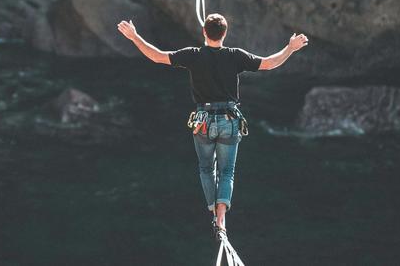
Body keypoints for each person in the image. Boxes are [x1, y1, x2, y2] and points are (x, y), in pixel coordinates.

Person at [116, 14, 308, 239]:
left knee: (207, 169)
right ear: (225, 34)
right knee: (227, 172)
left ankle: (212, 209)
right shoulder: (235, 55)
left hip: (203, 120)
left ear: (204, 33)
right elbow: (268, 63)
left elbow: (157, 56)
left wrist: (134, 37)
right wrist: (290, 48)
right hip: (229, 120)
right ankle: (221, 220)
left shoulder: (193, 55)